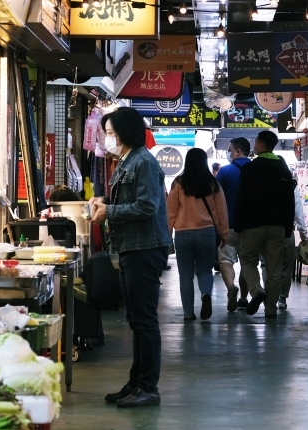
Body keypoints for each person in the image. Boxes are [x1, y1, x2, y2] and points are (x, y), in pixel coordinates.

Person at [89, 107, 171, 408]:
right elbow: (130, 200)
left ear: (123, 134)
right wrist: (104, 201)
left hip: (144, 248)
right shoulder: (126, 161)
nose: (107, 139)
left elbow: (147, 206)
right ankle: (136, 383)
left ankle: (148, 387)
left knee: (144, 320)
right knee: (136, 319)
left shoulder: (144, 162)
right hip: (131, 247)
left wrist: (108, 211)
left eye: (110, 133)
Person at [234, 130, 295, 317]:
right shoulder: (283, 169)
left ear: (260, 145)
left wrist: (238, 225)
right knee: (274, 268)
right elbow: (289, 201)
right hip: (277, 226)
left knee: (246, 258)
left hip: (253, 225)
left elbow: (241, 198)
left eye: (256, 142)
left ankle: (256, 290)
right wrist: (287, 226)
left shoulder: (250, 169)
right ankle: (271, 309)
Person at [167, 148, 229, 321]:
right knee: (204, 270)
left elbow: (170, 212)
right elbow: (221, 211)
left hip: (183, 234)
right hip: (207, 233)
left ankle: (188, 313)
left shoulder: (178, 183)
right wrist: (224, 234)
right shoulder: (213, 183)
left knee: (185, 275)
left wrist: (167, 234)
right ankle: (206, 295)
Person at [215, 137, 252, 312]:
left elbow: (216, 200)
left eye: (230, 150)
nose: (229, 153)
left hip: (228, 225)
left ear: (237, 151)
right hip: (252, 226)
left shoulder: (224, 172)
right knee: (247, 262)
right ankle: (244, 298)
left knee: (226, 260)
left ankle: (231, 287)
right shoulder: (257, 170)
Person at [278, 186, 308, 310]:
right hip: (286, 231)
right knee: (286, 265)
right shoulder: (291, 186)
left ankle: (270, 296)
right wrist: (303, 235)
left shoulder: (263, 181)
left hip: (267, 232)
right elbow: (298, 212)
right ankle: (282, 298)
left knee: (269, 264)